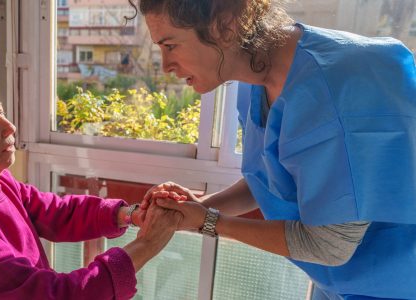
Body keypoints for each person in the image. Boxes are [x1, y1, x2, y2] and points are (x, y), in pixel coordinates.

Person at [127, 0, 416, 299]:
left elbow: (330, 244)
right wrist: (201, 207)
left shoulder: (337, 89)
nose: (165, 66)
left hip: (395, 282)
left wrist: (209, 221)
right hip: (341, 282)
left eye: (170, 45)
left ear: (224, 26)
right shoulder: (255, 78)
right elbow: (270, 176)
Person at [0, 60, 181, 299]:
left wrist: (127, 214)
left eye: (1, 113)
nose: (9, 127)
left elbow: (55, 212)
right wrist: (147, 245)